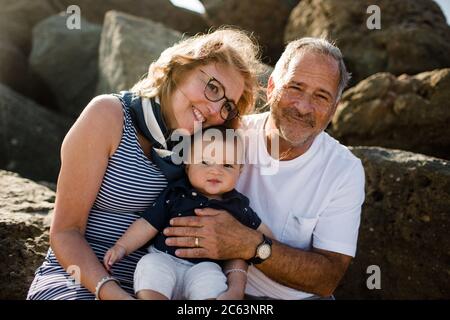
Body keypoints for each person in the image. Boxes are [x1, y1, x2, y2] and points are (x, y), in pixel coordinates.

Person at [27, 28, 264, 300]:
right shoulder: (108, 116)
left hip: (162, 287)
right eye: (213, 87)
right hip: (82, 281)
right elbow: (65, 232)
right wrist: (112, 293)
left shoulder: (207, 154)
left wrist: (235, 289)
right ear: (181, 68)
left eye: (227, 106)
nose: (214, 110)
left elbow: (225, 222)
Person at [163, 37, 366, 299]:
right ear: (271, 87)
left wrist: (250, 245)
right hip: (211, 287)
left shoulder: (344, 169)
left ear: (334, 108)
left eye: (321, 96)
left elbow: (327, 279)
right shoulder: (227, 136)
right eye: (295, 87)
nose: (303, 107)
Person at [103, 126, 272, 300]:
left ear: (240, 171)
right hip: (165, 257)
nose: (216, 170)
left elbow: (262, 233)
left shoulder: (237, 206)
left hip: (205, 266)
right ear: (188, 165)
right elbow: (148, 224)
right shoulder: (176, 193)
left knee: (212, 280)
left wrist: (271, 245)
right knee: (150, 265)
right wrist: (121, 247)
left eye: (228, 165)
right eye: (205, 162)